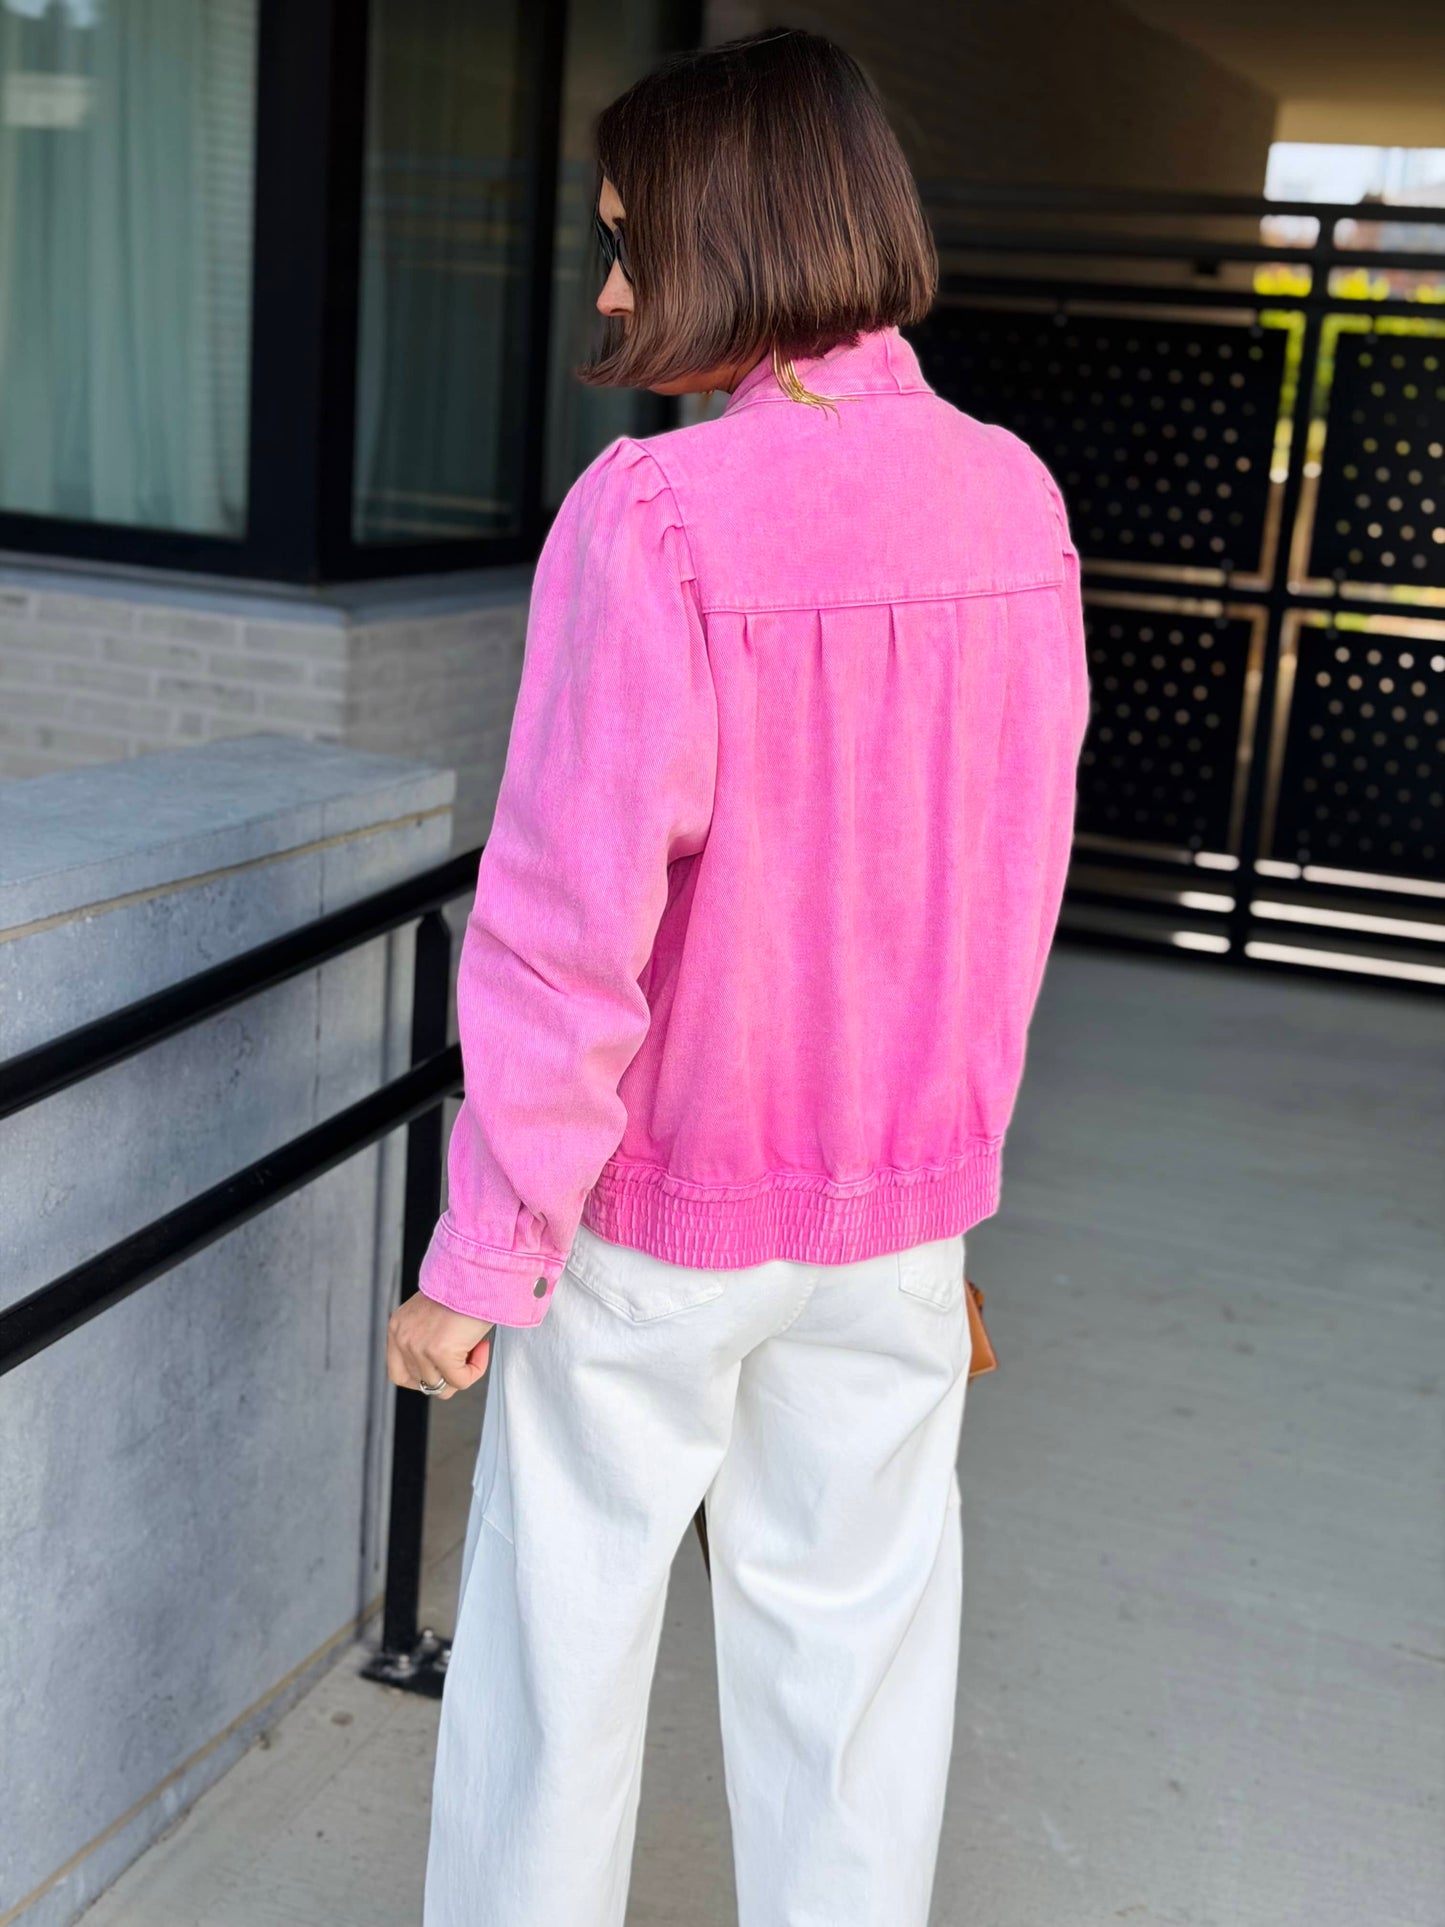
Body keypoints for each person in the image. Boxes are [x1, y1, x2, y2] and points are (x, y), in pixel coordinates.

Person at [386, 26, 1090, 1927]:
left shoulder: (656, 516)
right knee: (851, 1676)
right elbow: (1013, 874)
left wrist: (482, 1253)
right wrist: (943, 1155)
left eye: (630, 242)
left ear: (736, 234)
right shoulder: (1013, 497)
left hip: (655, 1224)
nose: (612, 291)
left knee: (557, 1666)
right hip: (898, 1227)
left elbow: (564, 924)